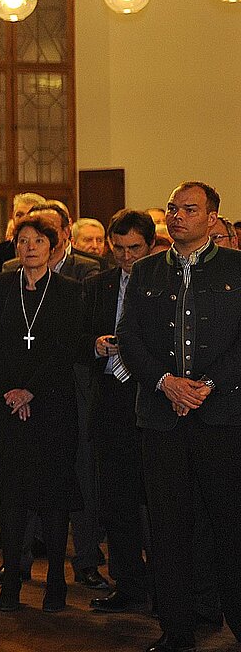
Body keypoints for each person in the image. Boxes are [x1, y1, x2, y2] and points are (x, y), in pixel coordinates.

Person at [119, 182, 241, 652]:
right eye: (173, 208)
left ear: (212, 218)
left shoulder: (235, 268)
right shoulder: (146, 270)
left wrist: (206, 385)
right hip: (162, 418)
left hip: (221, 416)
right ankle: (176, 630)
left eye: (190, 209)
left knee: (229, 525)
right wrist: (165, 382)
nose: (177, 216)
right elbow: (129, 337)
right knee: (168, 530)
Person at [0, 215, 83, 613]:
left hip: (52, 407)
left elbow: (66, 347)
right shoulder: (0, 286)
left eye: (38, 241)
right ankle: (11, 579)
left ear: (52, 247)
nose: (30, 247)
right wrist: (12, 391)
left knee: (54, 497)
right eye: (23, 241)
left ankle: (56, 580)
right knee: (12, 498)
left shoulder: (69, 290)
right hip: (8, 407)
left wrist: (31, 390)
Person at [84, 209, 156, 615]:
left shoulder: (163, 282)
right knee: (115, 501)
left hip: (150, 398)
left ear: (150, 245)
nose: (126, 256)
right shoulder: (98, 284)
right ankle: (127, 583)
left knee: (157, 502)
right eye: (119, 248)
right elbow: (77, 337)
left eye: (134, 248)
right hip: (110, 398)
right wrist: (95, 345)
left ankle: (164, 586)